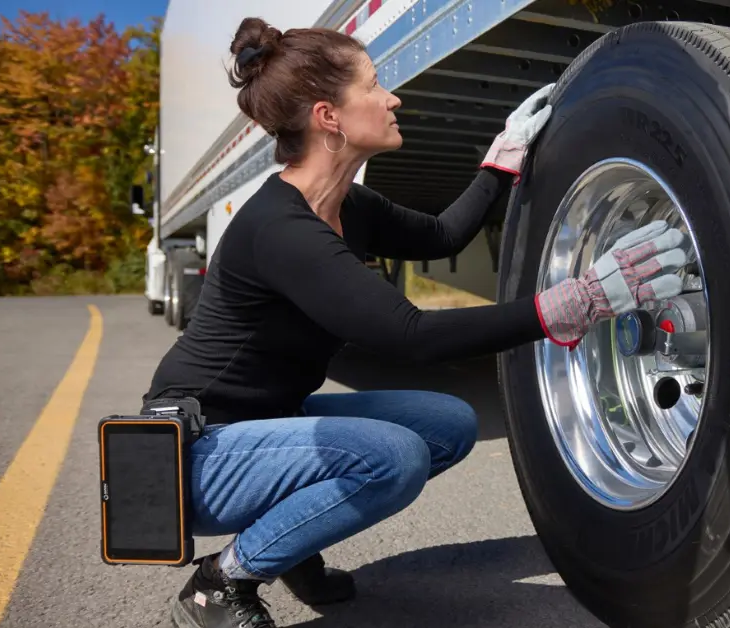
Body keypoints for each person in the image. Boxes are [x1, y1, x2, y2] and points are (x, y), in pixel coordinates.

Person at [146, 16, 690, 628]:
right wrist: (570, 304)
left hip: (267, 423)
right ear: (329, 116)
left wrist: (504, 156)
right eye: (374, 86)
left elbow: (441, 234)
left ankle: (287, 543)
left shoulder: (347, 204)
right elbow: (409, 335)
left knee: (447, 422)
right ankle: (222, 582)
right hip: (199, 453)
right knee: (394, 457)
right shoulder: (281, 228)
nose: (392, 98)